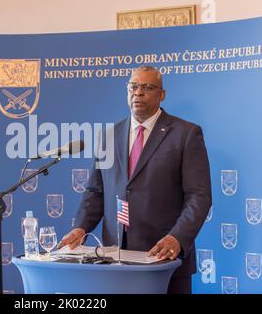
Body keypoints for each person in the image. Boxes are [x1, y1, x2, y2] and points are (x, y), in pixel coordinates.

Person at [58, 66, 212, 294]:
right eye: (133, 86)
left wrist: (177, 238)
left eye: (147, 87)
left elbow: (199, 196)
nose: (138, 93)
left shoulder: (186, 134)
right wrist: (80, 228)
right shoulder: (109, 135)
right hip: (116, 260)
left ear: (162, 94)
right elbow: (95, 192)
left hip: (163, 259)